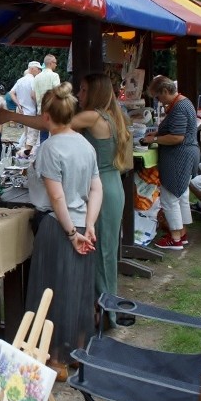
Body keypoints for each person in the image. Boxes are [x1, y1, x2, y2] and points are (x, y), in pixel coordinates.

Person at [25, 82, 102, 379]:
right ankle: (78, 352)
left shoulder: (49, 148)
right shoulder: (85, 144)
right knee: (79, 291)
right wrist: (90, 224)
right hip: (84, 225)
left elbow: (56, 198)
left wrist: (71, 233)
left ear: (46, 116)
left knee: (52, 290)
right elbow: (96, 188)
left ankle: (54, 358)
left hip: (60, 228)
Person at [71, 73, 132, 322]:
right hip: (112, 185)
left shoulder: (93, 116)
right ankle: (105, 310)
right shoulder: (114, 115)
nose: (78, 95)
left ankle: (106, 312)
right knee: (105, 251)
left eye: (83, 90)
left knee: (101, 252)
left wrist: (11, 116)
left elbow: (53, 124)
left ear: (95, 93)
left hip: (103, 189)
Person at [142, 75, 199, 251]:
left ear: (165, 91)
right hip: (185, 155)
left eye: (158, 97)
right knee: (181, 195)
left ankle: (175, 238)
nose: (159, 101)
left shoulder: (179, 107)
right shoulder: (183, 102)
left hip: (178, 156)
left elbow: (177, 137)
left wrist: (154, 139)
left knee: (169, 197)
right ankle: (181, 233)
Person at [10, 62, 41, 155]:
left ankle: (20, 153)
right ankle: (24, 157)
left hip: (21, 111)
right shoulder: (34, 80)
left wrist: (18, 104)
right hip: (31, 112)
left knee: (26, 134)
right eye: (38, 69)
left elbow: (12, 92)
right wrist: (39, 103)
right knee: (31, 138)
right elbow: (33, 95)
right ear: (32, 69)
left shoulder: (20, 80)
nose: (39, 71)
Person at [33, 54, 61, 142]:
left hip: (41, 110)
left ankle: (43, 153)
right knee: (55, 134)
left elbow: (33, 95)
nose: (56, 65)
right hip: (53, 109)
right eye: (55, 63)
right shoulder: (54, 76)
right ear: (50, 63)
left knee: (43, 136)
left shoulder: (37, 77)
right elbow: (58, 92)